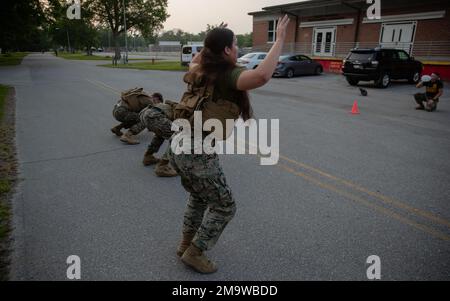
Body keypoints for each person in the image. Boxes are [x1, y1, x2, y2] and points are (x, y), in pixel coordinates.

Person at [169, 15, 290, 274]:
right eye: (235, 44)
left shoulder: (198, 70)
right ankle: (195, 252)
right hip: (196, 150)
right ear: (226, 50)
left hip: (177, 145)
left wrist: (212, 41)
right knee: (225, 206)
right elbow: (261, 76)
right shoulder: (227, 75)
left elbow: (198, 57)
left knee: (199, 197)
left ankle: (184, 244)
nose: (238, 49)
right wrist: (279, 39)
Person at [139, 100, 179, 177]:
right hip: (155, 116)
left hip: (145, 113)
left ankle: (148, 157)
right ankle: (162, 166)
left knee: (160, 134)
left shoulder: (181, 105)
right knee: (178, 138)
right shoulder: (190, 111)